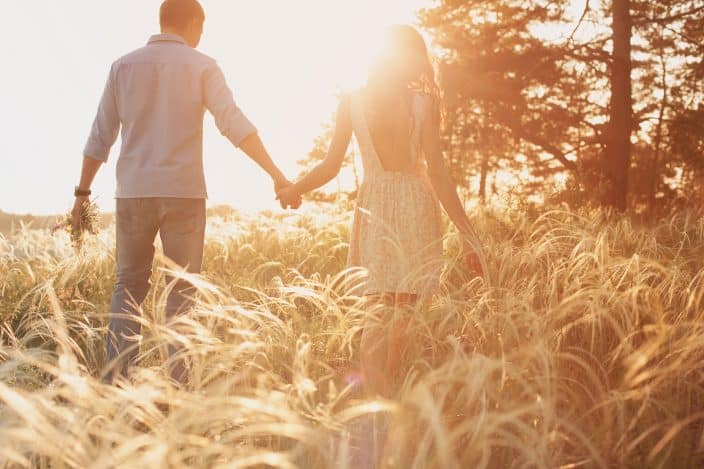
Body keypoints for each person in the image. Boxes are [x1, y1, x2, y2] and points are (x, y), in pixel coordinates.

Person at [71, 0, 300, 384]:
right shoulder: (202, 65)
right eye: (201, 29)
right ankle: (180, 388)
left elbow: (101, 135)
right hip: (183, 193)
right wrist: (276, 174)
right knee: (181, 293)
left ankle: (116, 383)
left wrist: (82, 192)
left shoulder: (122, 67)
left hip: (134, 192)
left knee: (127, 286)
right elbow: (233, 122)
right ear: (193, 23)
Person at [277, 25, 485, 397]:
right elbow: (436, 172)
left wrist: (295, 189)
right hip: (416, 207)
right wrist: (467, 234)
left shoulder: (354, 102)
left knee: (380, 312)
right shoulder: (421, 104)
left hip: (375, 207)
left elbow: (329, 165)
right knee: (402, 312)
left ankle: (378, 399)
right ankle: (383, 398)